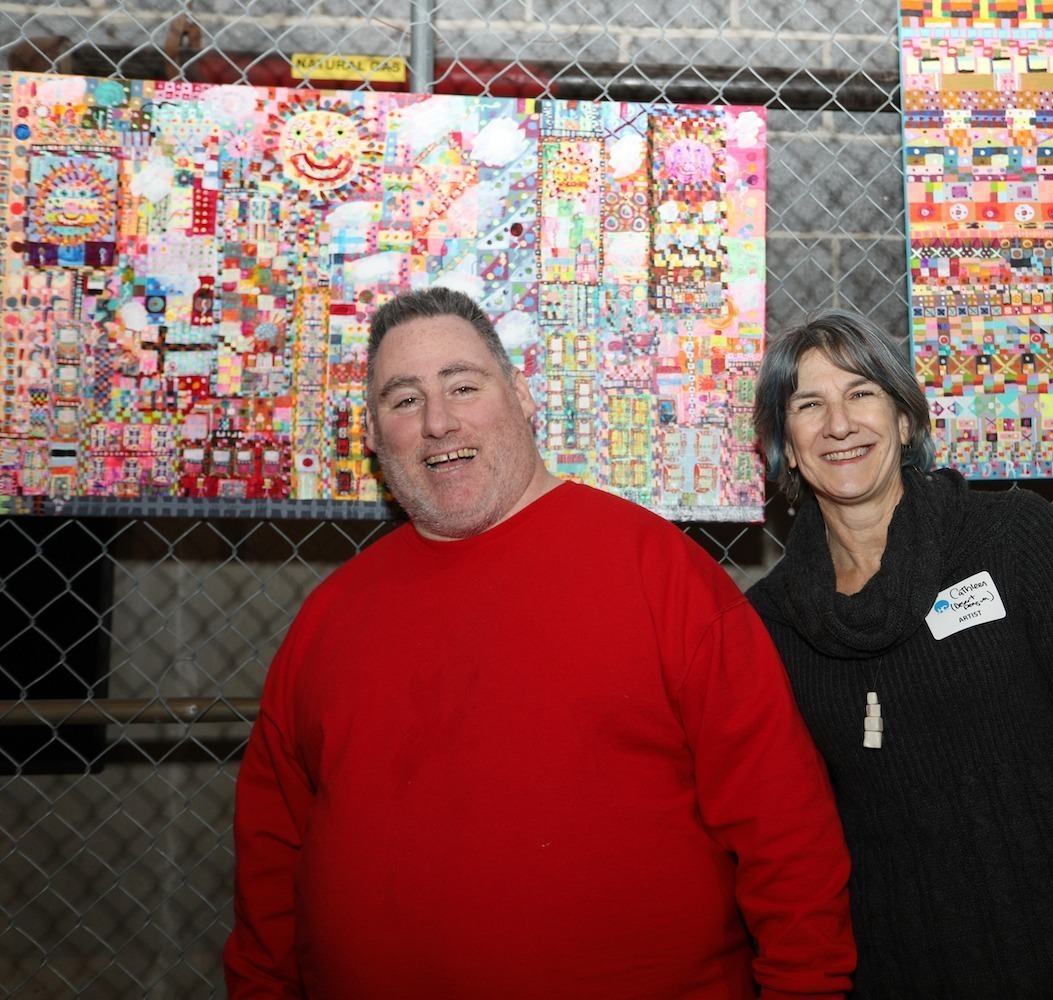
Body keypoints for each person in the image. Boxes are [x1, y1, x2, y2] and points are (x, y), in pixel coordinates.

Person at [224, 287, 856, 999]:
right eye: (404, 401)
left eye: (463, 386)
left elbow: (784, 829)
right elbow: (270, 858)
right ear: (371, 435)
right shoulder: (329, 617)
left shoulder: (659, 573)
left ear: (522, 397)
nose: (438, 421)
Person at [746, 310, 1053, 999]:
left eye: (861, 393)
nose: (839, 425)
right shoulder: (772, 624)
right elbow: (793, 847)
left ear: (905, 420)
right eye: (808, 405)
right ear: (785, 444)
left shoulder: (1013, 540)